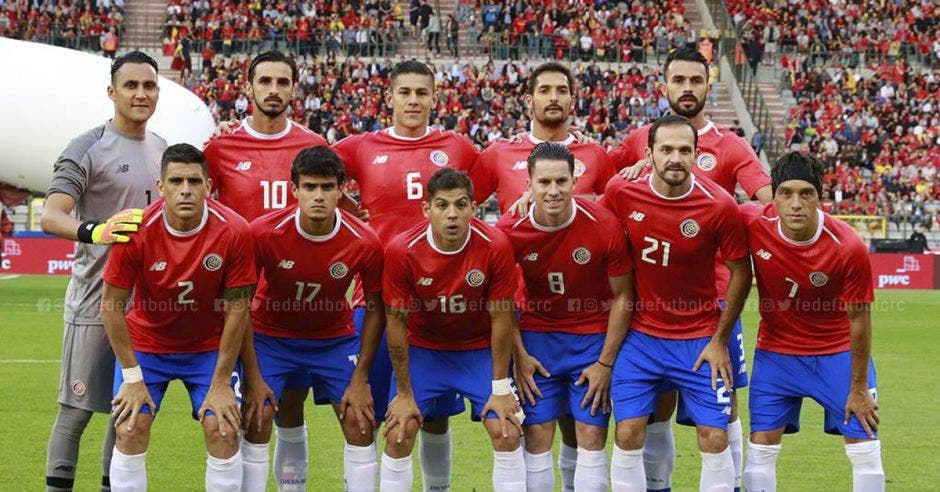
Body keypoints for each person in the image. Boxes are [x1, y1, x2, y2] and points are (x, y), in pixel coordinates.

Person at [610, 47, 771, 491]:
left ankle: (732, 483)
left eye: (695, 81)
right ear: (664, 85)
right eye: (678, 80)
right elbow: (597, 190)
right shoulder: (638, 139)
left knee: (724, 406)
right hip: (651, 305)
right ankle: (658, 482)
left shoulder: (731, 145)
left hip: (714, 302)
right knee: (653, 406)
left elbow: (767, 199)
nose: (686, 88)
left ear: (708, 85)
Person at [332, 59, 479, 492]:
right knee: (363, 415)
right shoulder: (360, 147)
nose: (413, 101)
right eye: (405, 93)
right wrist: (346, 209)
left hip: (438, 305)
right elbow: (309, 170)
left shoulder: (459, 147)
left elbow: (502, 182)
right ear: (389, 97)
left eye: (421, 93)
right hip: (373, 299)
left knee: (433, 417)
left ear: (435, 97)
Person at [202, 50, 333, 490]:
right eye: (265, 81)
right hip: (242, 307)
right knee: (252, 415)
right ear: (249, 86)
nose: (273, 90)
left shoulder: (314, 147)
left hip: (300, 304)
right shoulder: (220, 147)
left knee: (290, 406)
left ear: (294, 88)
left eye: (283, 82)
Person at [41, 50, 166, 492]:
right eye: (130, 86)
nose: (140, 93)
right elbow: (51, 215)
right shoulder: (88, 146)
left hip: (145, 311)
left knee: (127, 413)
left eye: (148, 86)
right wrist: (98, 231)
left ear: (157, 92)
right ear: (112, 92)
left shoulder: (163, 150)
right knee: (75, 412)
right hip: (96, 303)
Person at [99, 143, 256, 491]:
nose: (186, 190)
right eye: (177, 181)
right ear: (161, 187)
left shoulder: (234, 230)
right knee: (129, 426)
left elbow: (238, 309)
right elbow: (110, 307)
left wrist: (220, 382)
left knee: (224, 428)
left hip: (208, 348)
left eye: (194, 181)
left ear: (209, 187)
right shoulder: (136, 231)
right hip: (147, 347)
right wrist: (132, 377)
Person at [740, 152, 884, 491]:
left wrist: (859, 387)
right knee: (760, 450)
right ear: (772, 196)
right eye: (786, 193)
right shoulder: (751, 222)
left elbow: (860, 319)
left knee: (865, 446)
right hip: (776, 354)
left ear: (819, 197)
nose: (795, 203)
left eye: (806, 193)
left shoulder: (848, 246)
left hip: (836, 354)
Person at [245, 146, 385, 491]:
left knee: (360, 420)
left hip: (333, 340)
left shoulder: (364, 241)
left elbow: (376, 307)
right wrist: (251, 374)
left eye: (326, 187)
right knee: (260, 416)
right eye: (309, 187)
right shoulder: (263, 233)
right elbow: (239, 305)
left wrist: (362, 377)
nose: (318, 196)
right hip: (271, 338)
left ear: (341, 190)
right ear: (294, 190)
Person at [497, 143, 634, 491]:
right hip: (536, 340)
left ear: (575, 181)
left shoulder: (603, 225)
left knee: (590, 432)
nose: (553, 191)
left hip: (591, 338)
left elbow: (623, 297)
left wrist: (605, 363)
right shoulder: (510, 229)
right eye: (543, 182)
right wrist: (519, 356)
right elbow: (500, 303)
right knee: (538, 434)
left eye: (561, 181)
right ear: (528, 184)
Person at [380, 168, 524, 491]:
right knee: (398, 431)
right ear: (426, 209)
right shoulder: (402, 249)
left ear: (474, 208)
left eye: (461, 205)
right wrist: (404, 393)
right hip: (424, 350)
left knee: (507, 430)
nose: (452, 215)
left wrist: (500, 387)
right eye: (442, 205)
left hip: (477, 351)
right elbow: (397, 323)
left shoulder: (495, 245)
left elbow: (502, 318)